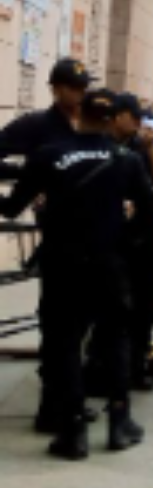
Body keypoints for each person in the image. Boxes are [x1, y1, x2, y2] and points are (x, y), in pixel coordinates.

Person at [0, 89, 153, 459]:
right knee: (116, 338)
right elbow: (151, 214)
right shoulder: (125, 159)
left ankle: (73, 430)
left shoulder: (49, 155)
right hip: (109, 265)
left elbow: (11, 207)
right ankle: (119, 423)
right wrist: (124, 234)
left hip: (63, 265)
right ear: (110, 119)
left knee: (66, 344)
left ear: (79, 115)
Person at [0, 58, 89, 432]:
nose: (79, 94)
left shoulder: (89, 126)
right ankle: (55, 407)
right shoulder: (37, 126)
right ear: (55, 88)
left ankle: (65, 393)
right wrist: (31, 177)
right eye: (72, 87)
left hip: (94, 239)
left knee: (79, 324)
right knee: (58, 325)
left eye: (82, 87)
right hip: (59, 238)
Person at [105, 93, 153, 391]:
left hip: (144, 239)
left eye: (139, 117)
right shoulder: (101, 148)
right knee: (113, 309)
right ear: (116, 117)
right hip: (112, 241)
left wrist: (151, 149)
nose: (137, 122)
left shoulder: (139, 146)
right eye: (132, 116)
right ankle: (107, 368)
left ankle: (136, 365)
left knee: (144, 306)